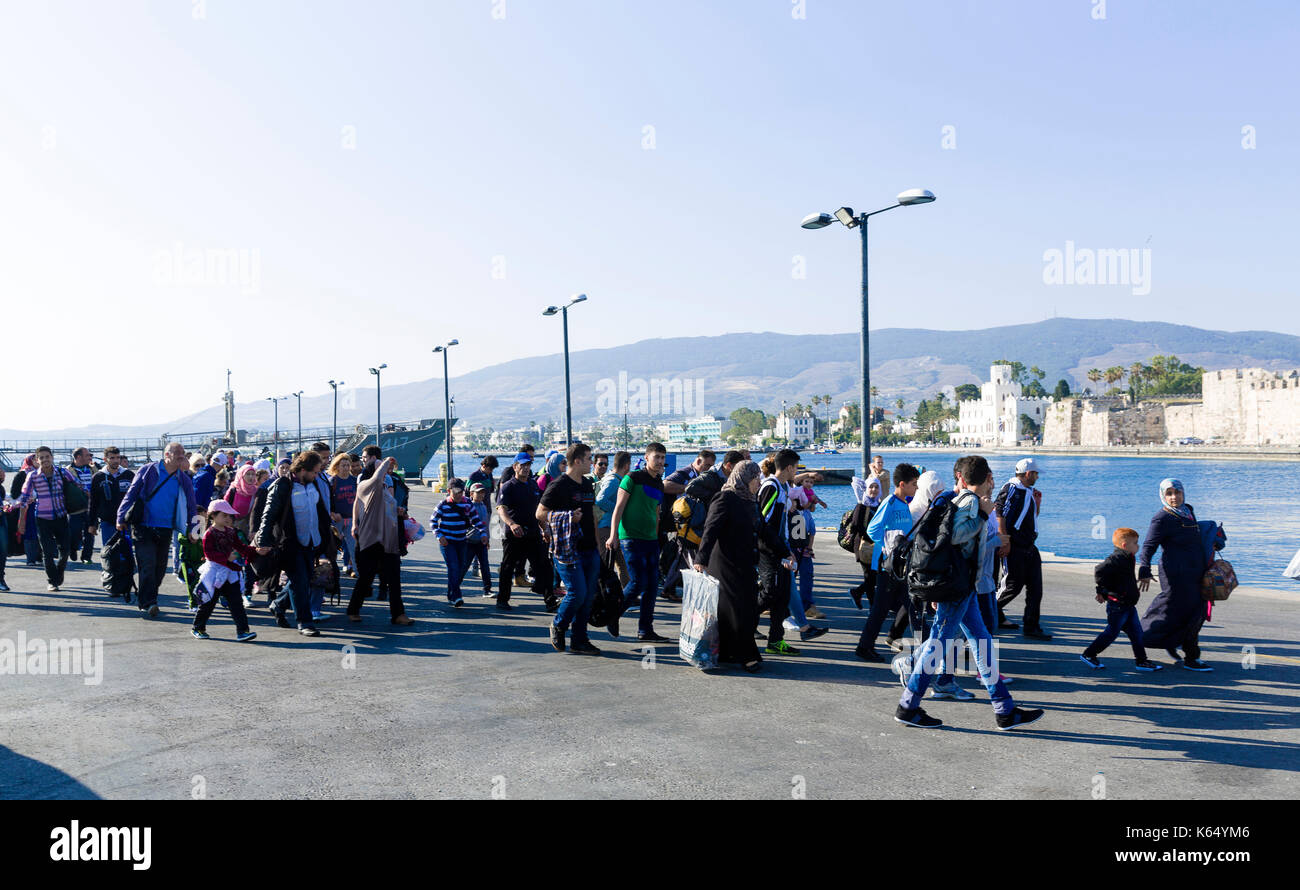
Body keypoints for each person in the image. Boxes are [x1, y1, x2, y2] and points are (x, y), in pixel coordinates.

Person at [894, 455, 1045, 731]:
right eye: (991, 478)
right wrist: (985, 515)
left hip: (964, 587)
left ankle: (1004, 709)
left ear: (962, 477)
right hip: (958, 588)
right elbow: (956, 536)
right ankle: (908, 705)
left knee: (981, 642)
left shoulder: (962, 500)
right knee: (939, 644)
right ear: (987, 478)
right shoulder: (970, 502)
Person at [1137, 478, 1219, 671]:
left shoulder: (1188, 511)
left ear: (1183, 493)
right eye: (1169, 493)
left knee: (1194, 612)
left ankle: (1180, 646)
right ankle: (1188, 656)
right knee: (1177, 610)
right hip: (1175, 574)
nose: (1174, 497)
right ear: (1163, 495)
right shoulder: (1162, 517)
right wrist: (1144, 568)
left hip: (1196, 571)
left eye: (1178, 492)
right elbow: (1149, 545)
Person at [694, 459, 765, 672]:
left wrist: (784, 551)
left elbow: (764, 530)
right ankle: (746, 655)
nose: (759, 482)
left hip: (744, 562)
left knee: (743, 609)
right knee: (738, 610)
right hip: (724, 563)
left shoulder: (750, 500)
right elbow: (710, 530)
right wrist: (700, 559)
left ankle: (726, 651)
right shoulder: (725, 498)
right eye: (756, 478)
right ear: (745, 478)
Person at [254, 450, 331, 636]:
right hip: (289, 543)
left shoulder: (313, 484)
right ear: (303, 469)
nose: (316, 475)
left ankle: (278, 604)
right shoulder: (283, 484)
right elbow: (269, 514)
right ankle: (305, 623)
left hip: (312, 541)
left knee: (301, 579)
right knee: (300, 581)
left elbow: (320, 510)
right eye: (314, 472)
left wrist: (328, 534)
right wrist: (263, 541)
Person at [116, 442, 197, 618]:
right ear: (167, 455)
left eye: (183, 455)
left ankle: (148, 597)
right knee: (147, 564)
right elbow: (131, 493)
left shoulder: (183, 479)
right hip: (143, 526)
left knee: (160, 569)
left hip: (166, 528)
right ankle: (148, 602)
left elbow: (192, 505)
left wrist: (195, 530)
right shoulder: (148, 470)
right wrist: (120, 517)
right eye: (179, 455)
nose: (182, 458)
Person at [539, 443, 602, 654]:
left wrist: (598, 545)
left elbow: (591, 514)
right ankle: (558, 624)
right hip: (567, 549)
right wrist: (565, 517)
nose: (591, 463)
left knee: (588, 596)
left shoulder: (587, 484)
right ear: (577, 461)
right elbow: (540, 513)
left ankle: (579, 640)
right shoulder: (558, 485)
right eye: (589, 459)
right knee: (577, 593)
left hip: (589, 548)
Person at [855, 463, 920, 661]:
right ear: (902, 484)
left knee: (911, 603)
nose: (916, 488)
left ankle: (894, 637)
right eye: (914, 484)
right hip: (888, 565)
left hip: (900, 566)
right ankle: (864, 647)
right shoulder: (890, 502)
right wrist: (889, 544)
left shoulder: (904, 504)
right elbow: (873, 529)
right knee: (880, 610)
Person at [607, 442, 671, 643]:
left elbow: (656, 512)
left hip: (651, 540)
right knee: (637, 582)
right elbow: (618, 508)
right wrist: (613, 535)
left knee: (652, 586)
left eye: (662, 457)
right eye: (657, 457)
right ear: (647, 458)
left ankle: (645, 630)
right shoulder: (632, 478)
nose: (660, 461)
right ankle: (612, 614)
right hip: (630, 538)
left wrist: (657, 534)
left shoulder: (659, 483)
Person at [1082, 528, 1163, 671]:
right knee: (1111, 633)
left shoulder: (1127, 557)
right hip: (1117, 605)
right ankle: (1089, 654)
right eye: (1135, 543)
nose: (1138, 546)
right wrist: (1101, 591)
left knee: (1137, 633)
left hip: (1128, 605)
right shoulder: (1116, 558)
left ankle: (1141, 661)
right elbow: (1099, 570)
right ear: (1125, 545)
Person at [346, 457, 415, 626]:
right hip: (370, 541)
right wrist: (386, 461)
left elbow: (385, 508)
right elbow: (376, 479)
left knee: (394, 578)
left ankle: (398, 614)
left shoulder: (384, 488)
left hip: (388, 541)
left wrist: (399, 511)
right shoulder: (366, 485)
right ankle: (353, 610)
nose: (385, 472)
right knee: (366, 578)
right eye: (380, 469)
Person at [756, 449, 810, 655]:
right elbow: (764, 523)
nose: (796, 471)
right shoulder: (771, 487)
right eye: (795, 467)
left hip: (781, 548)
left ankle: (775, 640)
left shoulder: (782, 487)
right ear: (788, 467)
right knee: (769, 594)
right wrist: (782, 551)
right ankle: (742, 624)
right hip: (769, 551)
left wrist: (787, 549)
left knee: (782, 596)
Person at [996, 457, 1052, 640]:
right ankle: (987, 611)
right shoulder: (1012, 488)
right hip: (1016, 546)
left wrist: (1038, 505)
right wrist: (1005, 542)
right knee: (1012, 586)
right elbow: (1000, 513)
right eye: (1035, 474)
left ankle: (1031, 626)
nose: (1037, 477)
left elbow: (1029, 517)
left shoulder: (1027, 491)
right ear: (1028, 474)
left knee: (1036, 588)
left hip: (1029, 545)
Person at [191, 500, 259, 642]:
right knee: (208, 602)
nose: (228, 519)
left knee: (236, 603)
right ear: (213, 516)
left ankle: (243, 631)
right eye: (224, 515)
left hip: (229, 573)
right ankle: (198, 627)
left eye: (230, 516)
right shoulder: (209, 534)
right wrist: (226, 558)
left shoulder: (231, 532)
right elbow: (209, 554)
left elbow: (241, 547)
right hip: (213, 573)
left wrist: (256, 551)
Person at [15, 446, 81, 591]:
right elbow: (24, 498)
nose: (45, 460)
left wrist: (87, 497)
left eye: (47, 456)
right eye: (42, 458)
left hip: (61, 516)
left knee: (65, 551)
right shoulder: (32, 476)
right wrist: (21, 520)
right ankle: (52, 581)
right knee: (47, 551)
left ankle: (59, 571)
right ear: (37, 461)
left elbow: (78, 484)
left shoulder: (62, 472)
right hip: (42, 518)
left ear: (52, 457)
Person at [496, 452, 553, 611]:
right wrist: (512, 524)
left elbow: (538, 510)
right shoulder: (508, 486)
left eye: (528, 465)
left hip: (533, 533)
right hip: (515, 534)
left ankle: (550, 600)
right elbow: (501, 509)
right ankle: (502, 600)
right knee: (508, 567)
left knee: (544, 566)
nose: (526, 468)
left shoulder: (533, 484)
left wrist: (545, 528)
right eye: (522, 465)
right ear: (515, 467)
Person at [659, 449, 716, 601]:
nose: (709, 469)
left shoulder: (703, 476)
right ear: (698, 461)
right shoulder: (685, 474)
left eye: (711, 466)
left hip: (692, 522)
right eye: (707, 465)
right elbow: (665, 485)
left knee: (682, 556)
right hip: (682, 523)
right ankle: (673, 588)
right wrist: (690, 488)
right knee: (685, 554)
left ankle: (670, 587)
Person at [431, 478, 488, 606]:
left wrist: (483, 533)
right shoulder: (443, 504)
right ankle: (457, 596)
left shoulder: (467, 503)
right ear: (448, 491)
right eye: (456, 492)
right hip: (447, 542)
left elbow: (476, 520)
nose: (458, 495)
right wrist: (439, 535)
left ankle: (451, 594)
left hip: (462, 541)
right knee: (453, 567)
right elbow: (433, 521)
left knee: (460, 568)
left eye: (461, 492)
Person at [88, 446, 135, 563]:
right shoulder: (98, 477)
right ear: (105, 459)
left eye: (118, 457)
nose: (116, 460)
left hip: (126, 522)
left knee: (126, 554)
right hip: (107, 522)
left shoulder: (129, 475)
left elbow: (137, 498)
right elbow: (93, 502)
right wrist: (91, 524)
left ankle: (126, 579)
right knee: (109, 553)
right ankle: (110, 579)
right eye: (112, 458)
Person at [595, 450, 631, 589]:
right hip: (605, 527)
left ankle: (626, 594)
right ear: (627, 465)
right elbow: (600, 500)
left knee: (621, 562)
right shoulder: (613, 481)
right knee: (605, 563)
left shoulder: (614, 478)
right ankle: (601, 594)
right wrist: (618, 509)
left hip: (612, 527)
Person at [328, 453, 359, 577]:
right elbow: (327, 500)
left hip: (351, 519)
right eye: (343, 465)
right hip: (337, 519)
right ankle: (329, 575)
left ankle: (359, 573)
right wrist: (332, 513)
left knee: (354, 548)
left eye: (348, 465)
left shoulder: (354, 480)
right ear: (337, 466)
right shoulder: (332, 481)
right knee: (332, 549)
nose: (346, 468)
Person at [10, 454, 43, 567]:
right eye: (35, 459)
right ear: (29, 461)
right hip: (27, 508)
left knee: (42, 532)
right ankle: (31, 559)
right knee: (29, 532)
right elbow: (14, 493)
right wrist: (27, 497)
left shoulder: (42, 473)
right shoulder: (22, 474)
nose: (38, 461)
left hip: (42, 506)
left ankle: (40, 556)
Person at [67, 447, 97, 565]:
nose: (90, 457)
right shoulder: (68, 470)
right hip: (76, 507)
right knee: (75, 532)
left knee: (90, 532)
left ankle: (86, 556)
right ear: (78, 457)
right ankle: (73, 548)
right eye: (87, 455)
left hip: (91, 507)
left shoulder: (93, 468)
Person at [465, 482, 493, 596]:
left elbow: (485, 525)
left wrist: (487, 539)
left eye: (483, 493)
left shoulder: (484, 506)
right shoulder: (468, 507)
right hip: (470, 541)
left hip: (482, 542)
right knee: (464, 566)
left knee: (485, 566)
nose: (481, 495)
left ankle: (487, 589)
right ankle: (454, 588)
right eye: (478, 493)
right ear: (471, 494)